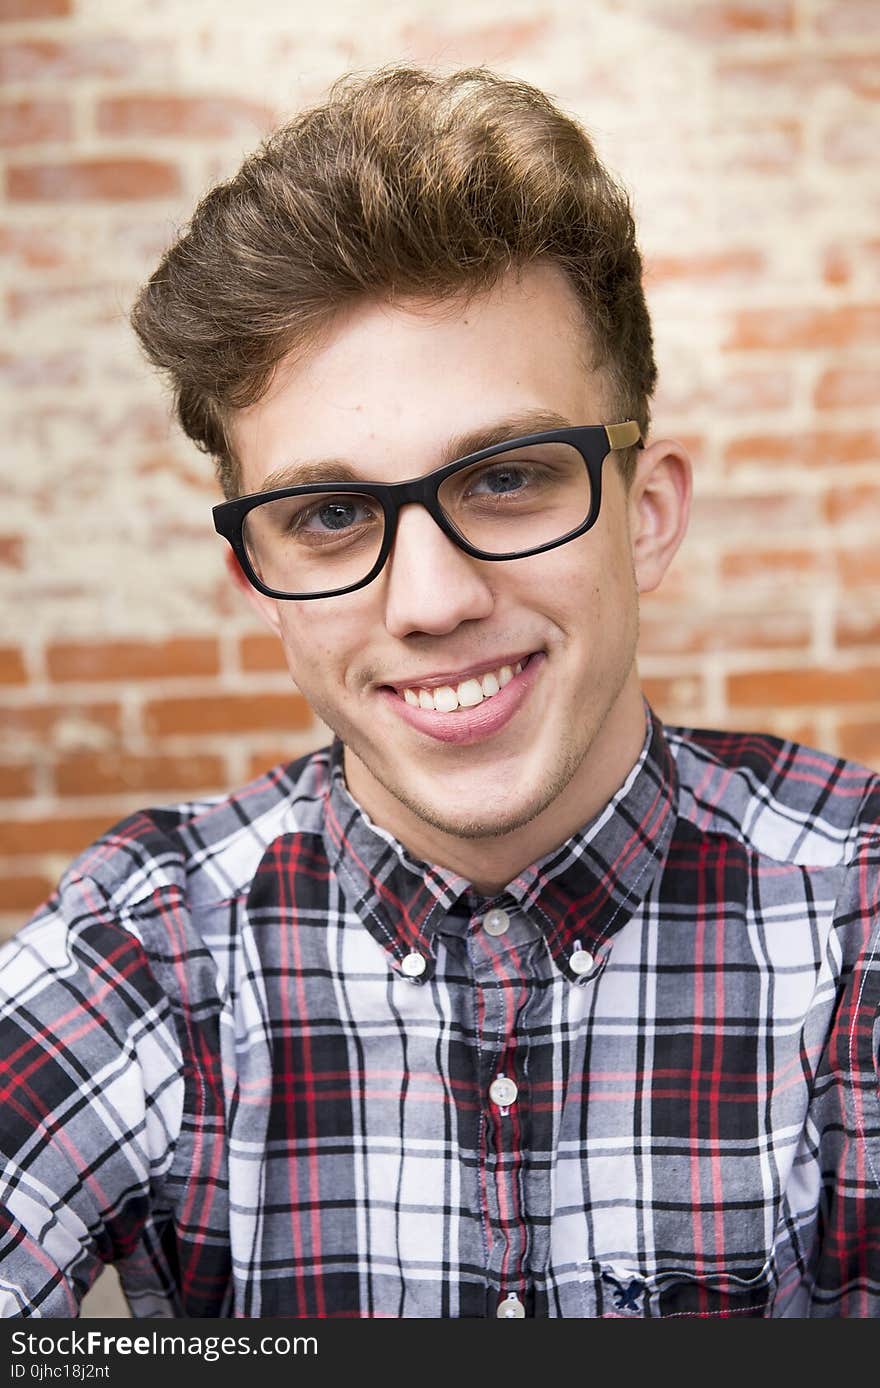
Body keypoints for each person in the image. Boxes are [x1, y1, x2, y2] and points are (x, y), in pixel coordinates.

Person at [1, 64, 879, 1322]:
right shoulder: (149, 950)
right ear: (260, 579)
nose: (428, 599)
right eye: (331, 513)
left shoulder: (856, 914)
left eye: (506, 479)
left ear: (646, 515)